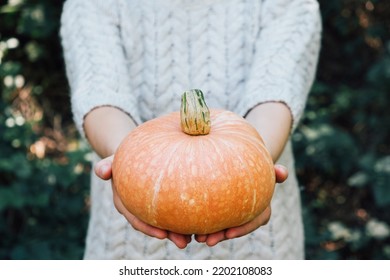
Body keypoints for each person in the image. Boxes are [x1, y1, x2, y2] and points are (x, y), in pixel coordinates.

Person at [60, 0, 322, 259]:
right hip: (127, 245)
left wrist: (255, 168)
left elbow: (275, 92)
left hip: (258, 249)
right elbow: (101, 95)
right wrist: (129, 167)